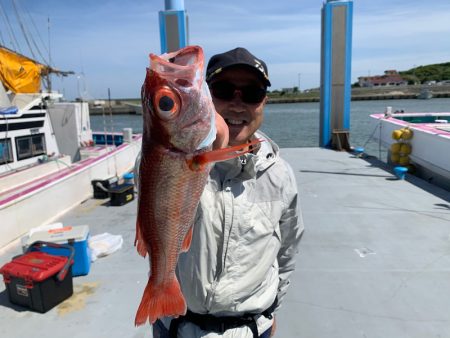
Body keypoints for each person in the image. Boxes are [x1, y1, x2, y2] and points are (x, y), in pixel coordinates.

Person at [153, 47, 304, 338]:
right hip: (178, 327)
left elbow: (287, 251)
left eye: (251, 93)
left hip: (252, 330)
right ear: (204, 98)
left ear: (264, 103)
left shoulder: (281, 175)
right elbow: (150, 163)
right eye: (223, 90)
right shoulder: (177, 156)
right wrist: (170, 90)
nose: (237, 104)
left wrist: (271, 308)